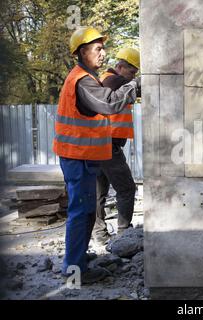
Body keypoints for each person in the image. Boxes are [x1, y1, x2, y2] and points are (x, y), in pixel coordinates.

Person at [53, 27, 141, 284]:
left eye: (103, 48)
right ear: (82, 52)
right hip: (77, 155)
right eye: (97, 49)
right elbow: (109, 104)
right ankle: (74, 270)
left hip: (85, 154)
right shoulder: (82, 80)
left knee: (88, 210)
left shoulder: (86, 77)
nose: (103, 53)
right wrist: (133, 85)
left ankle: (78, 260)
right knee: (81, 212)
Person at [93, 48, 140, 245]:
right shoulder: (110, 79)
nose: (133, 76)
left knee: (99, 192)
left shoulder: (113, 82)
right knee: (127, 188)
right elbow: (133, 86)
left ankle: (101, 235)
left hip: (101, 144)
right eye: (131, 72)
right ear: (120, 67)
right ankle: (124, 234)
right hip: (107, 145)